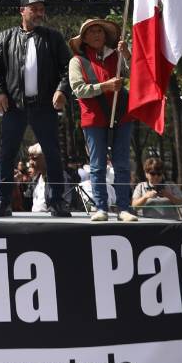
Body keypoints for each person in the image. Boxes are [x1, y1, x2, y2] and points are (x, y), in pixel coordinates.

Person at [0, 0, 72, 217]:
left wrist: (62, 90)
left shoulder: (53, 38)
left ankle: (56, 202)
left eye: (41, 9)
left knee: (52, 154)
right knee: (6, 155)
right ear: (22, 10)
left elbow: (68, 68)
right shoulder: (5, 37)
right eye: (33, 8)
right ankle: (3, 202)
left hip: (44, 105)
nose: (38, 13)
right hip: (14, 106)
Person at [68, 18, 137, 223]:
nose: (97, 34)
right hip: (94, 118)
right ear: (85, 39)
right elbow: (78, 89)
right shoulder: (77, 61)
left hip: (122, 115)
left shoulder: (117, 56)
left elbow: (137, 74)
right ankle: (101, 207)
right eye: (92, 32)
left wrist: (127, 54)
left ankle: (124, 207)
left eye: (100, 31)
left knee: (122, 164)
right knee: (97, 165)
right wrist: (104, 87)